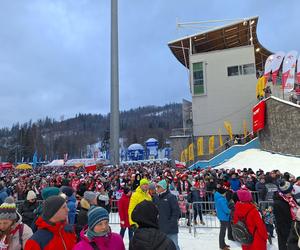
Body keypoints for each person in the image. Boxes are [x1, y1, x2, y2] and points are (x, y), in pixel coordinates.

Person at [153, 179, 180, 250]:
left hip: (171, 229)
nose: (157, 189)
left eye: (158, 187)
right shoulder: (155, 197)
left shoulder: (171, 197)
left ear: (163, 188)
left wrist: (171, 223)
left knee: (174, 246)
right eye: (156, 187)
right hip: (160, 227)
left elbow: (176, 212)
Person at [273, 180, 297, 250]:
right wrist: (289, 236)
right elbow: (281, 223)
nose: (291, 192)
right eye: (289, 192)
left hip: (293, 228)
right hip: (286, 232)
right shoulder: (278, 203)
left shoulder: (290, 198)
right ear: (283, 193)